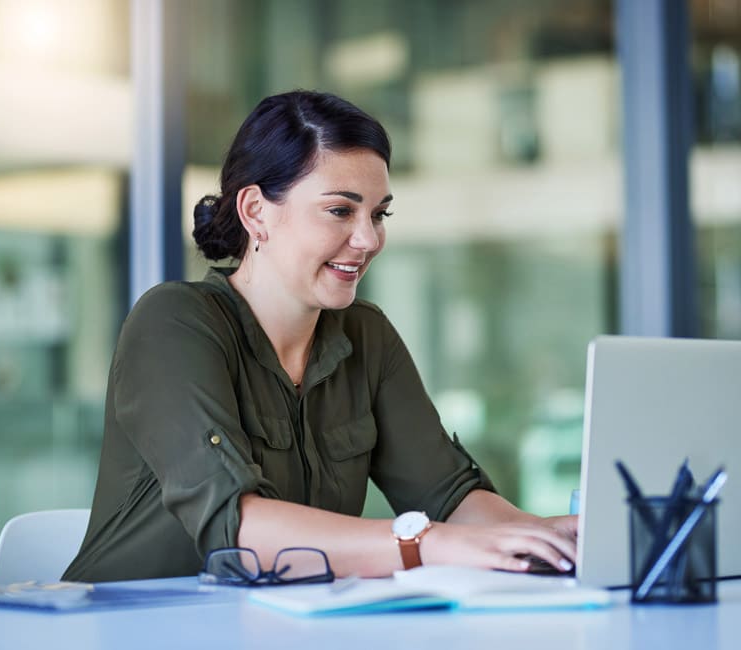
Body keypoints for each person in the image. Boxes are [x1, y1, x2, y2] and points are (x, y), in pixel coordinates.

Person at [63, 90, 577, 583]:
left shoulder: (366, 335)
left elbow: (448, 497)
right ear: (256, 212)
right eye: (340, 210)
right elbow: (236, 530)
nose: (369, 239)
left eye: (379, 214)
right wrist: (420, 544)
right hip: (129, 628)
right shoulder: (173, 324)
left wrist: (545, 535)